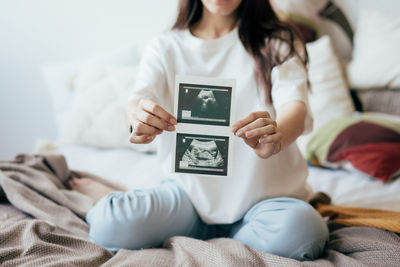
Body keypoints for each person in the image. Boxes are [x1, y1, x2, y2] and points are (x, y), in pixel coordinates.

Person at [69, 0, 329, 261]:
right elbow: (138, 99)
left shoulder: (278, 39)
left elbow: (295, 106)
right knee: (108, 224)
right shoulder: (166, 46)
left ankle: (198, 245)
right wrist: (138, 118)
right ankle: (117, 196)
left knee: (305, 231)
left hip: (265, 201)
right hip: (187, 198)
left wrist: (278, 136)